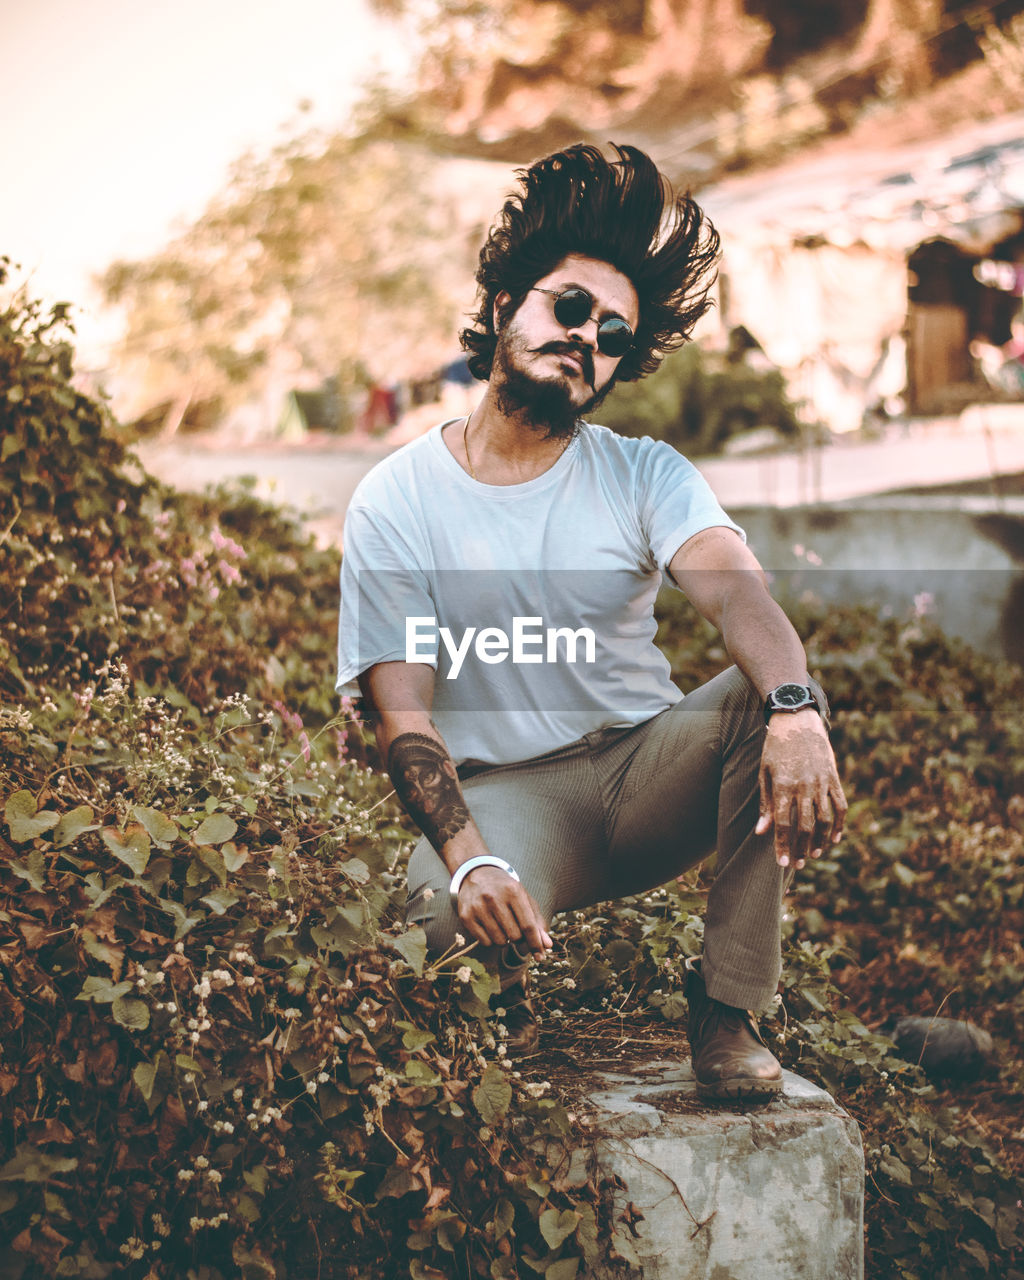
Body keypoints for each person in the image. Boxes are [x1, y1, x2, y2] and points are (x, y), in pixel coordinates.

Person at [337, 143, 847, 1102]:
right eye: (569, 306)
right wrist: (471, 855)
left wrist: (793, 708)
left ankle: (729, 1009)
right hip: (513, 802)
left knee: (771, 695)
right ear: (503, 308)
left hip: (647, 774)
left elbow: (740, 595)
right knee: (425, 920)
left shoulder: (644, 471)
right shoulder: (395, 498)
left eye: (613, 333)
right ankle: (503, 982)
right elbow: (403, 718)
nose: (587, 338)